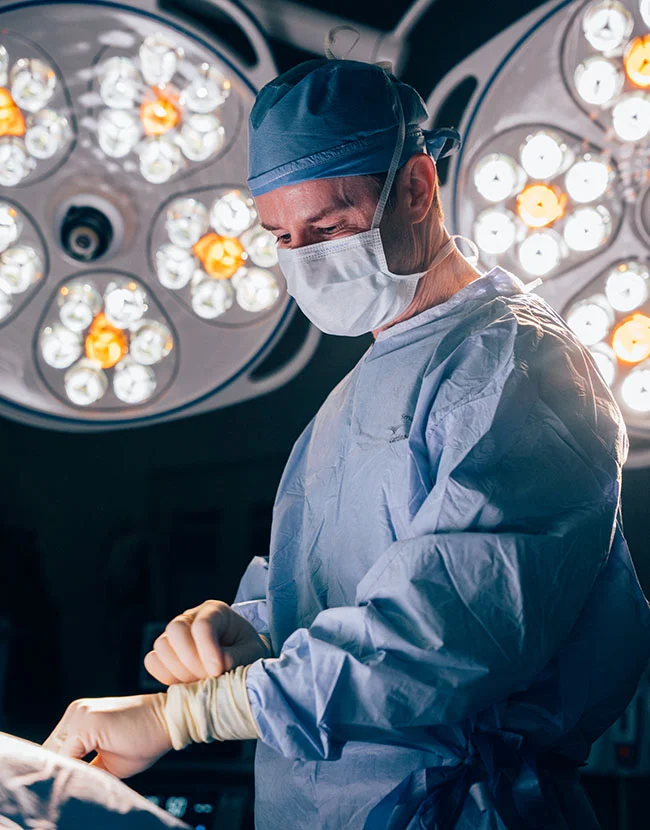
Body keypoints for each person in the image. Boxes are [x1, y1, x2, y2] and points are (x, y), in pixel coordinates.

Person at [43, 57, 650, 829]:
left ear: (417, 188)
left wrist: (181, 720)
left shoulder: (514, 364)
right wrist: (248, 633)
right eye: (280, 237)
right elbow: (335, 595)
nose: (306, 258)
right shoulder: (350, 400)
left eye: (328, 229)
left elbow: (445, 632)